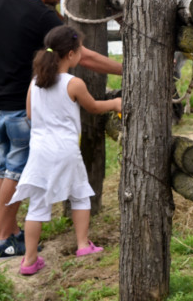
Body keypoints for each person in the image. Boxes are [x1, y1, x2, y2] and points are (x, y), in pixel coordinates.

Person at [0, 0, 122, 258]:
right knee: (17, 175)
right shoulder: (45, 16)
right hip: (23, 113)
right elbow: (85, 56)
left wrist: (2, 60)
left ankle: (10, 231)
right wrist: (126, 68)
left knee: (4, 170)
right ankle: (1, 239)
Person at [12, 25, 121, 276]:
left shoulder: (35, 83)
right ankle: (83, 245)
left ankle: (29, 260)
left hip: (39, 151)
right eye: (80, 50)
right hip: (66, 149)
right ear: (71, 54)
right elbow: (93, 107)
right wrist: (115, 102)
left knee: (37, 205)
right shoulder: (74, 83)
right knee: (80, 194)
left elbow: (29, 113)